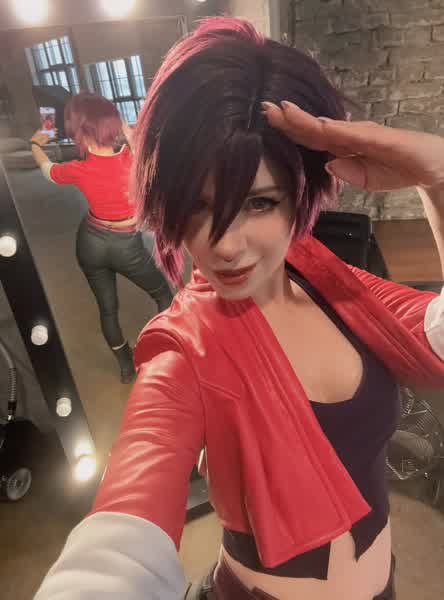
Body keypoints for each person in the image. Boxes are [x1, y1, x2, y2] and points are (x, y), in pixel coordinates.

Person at [34, 17, 444, 600]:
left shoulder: (331, 283)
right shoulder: (184, 350)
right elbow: (126, 518)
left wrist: (438, 179)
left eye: (258, 202)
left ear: (300, 191)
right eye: (197, 207)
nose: (225, 245)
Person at [30, 92, 173, 383]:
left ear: (78, 132)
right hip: (126, 246)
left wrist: (36, 142)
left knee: (107, 309)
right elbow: (146, 153)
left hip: (89, 242)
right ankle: (161, 354)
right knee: (164, 296)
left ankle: (126, 368)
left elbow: (46, 170)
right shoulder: (132, 159)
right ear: (113, 123)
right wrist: (128, 132)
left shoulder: (78, 169)